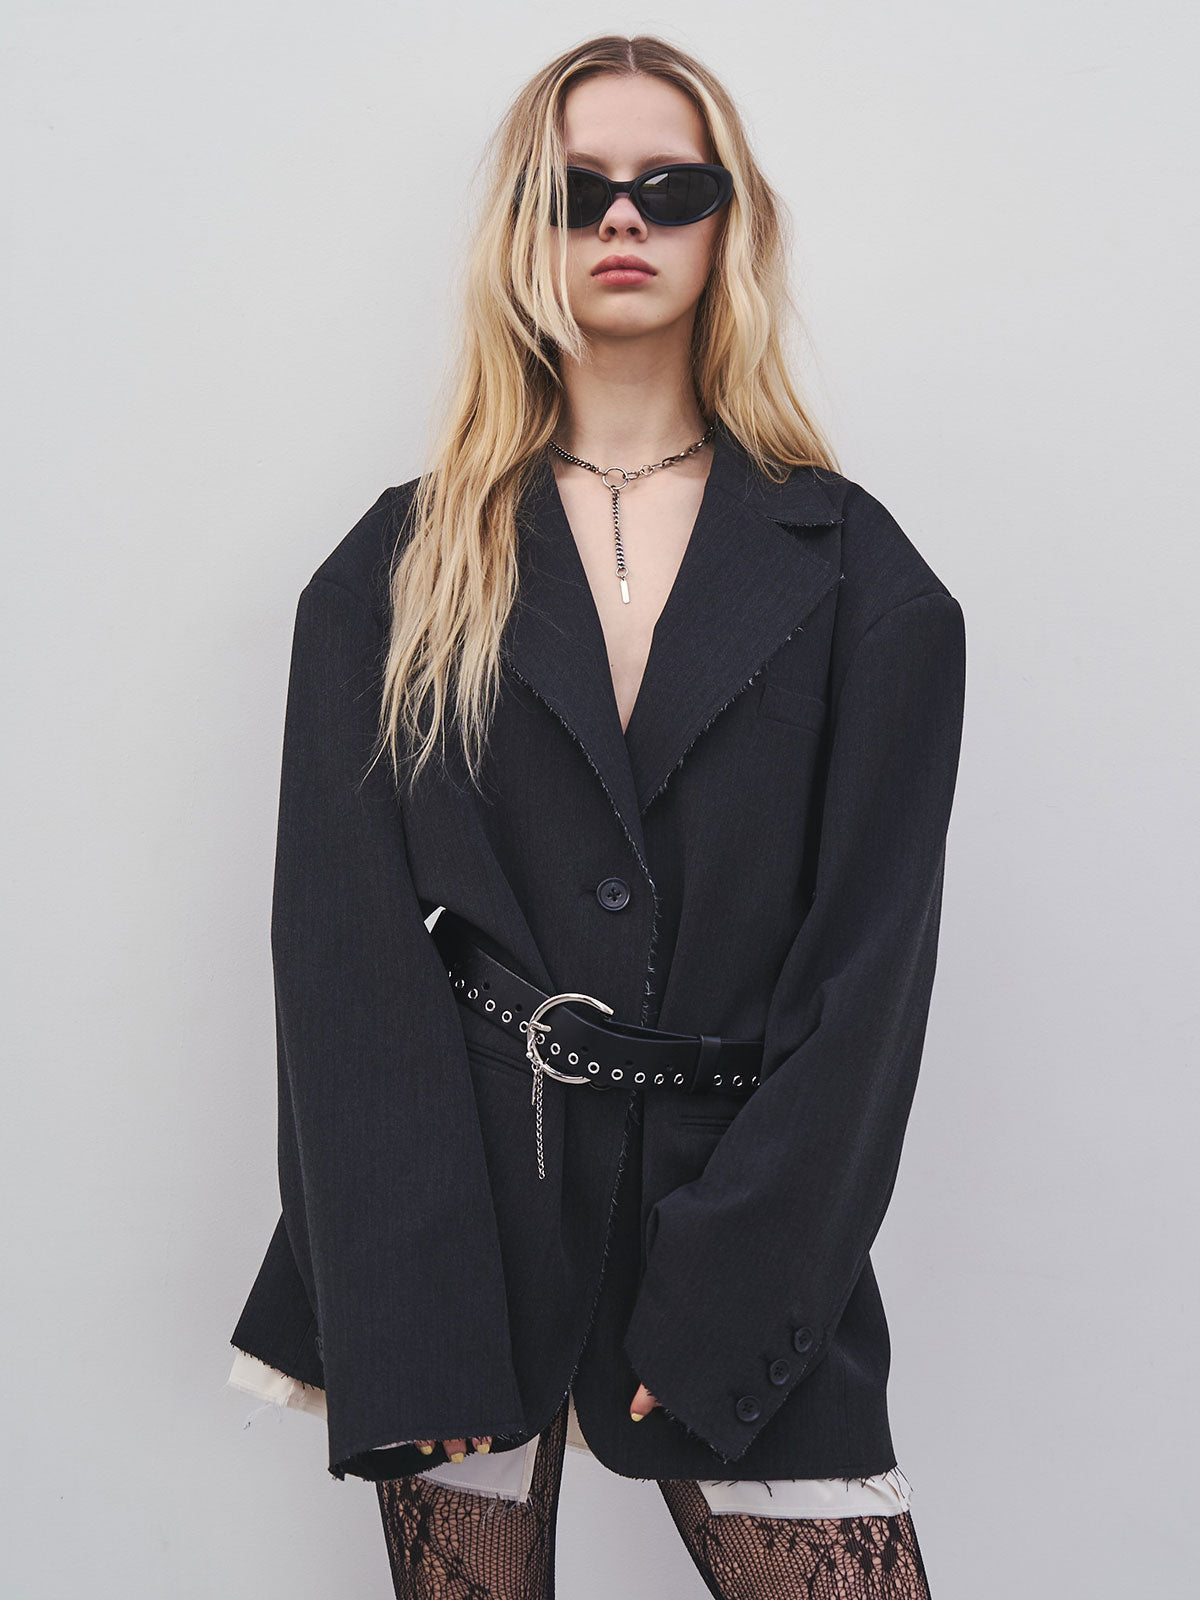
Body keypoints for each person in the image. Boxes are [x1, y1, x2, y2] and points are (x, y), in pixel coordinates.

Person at [227, 32, 966, 1600]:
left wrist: (737, 1292)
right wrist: (416, 1319)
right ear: (523, 226)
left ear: (728, 222)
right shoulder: (392, 573)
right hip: (462, 1232)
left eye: (668, 187)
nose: (622, 220)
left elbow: (869, 991)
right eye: (576, 191)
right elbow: (344, 971)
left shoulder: (861, 577)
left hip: (743, 1219)